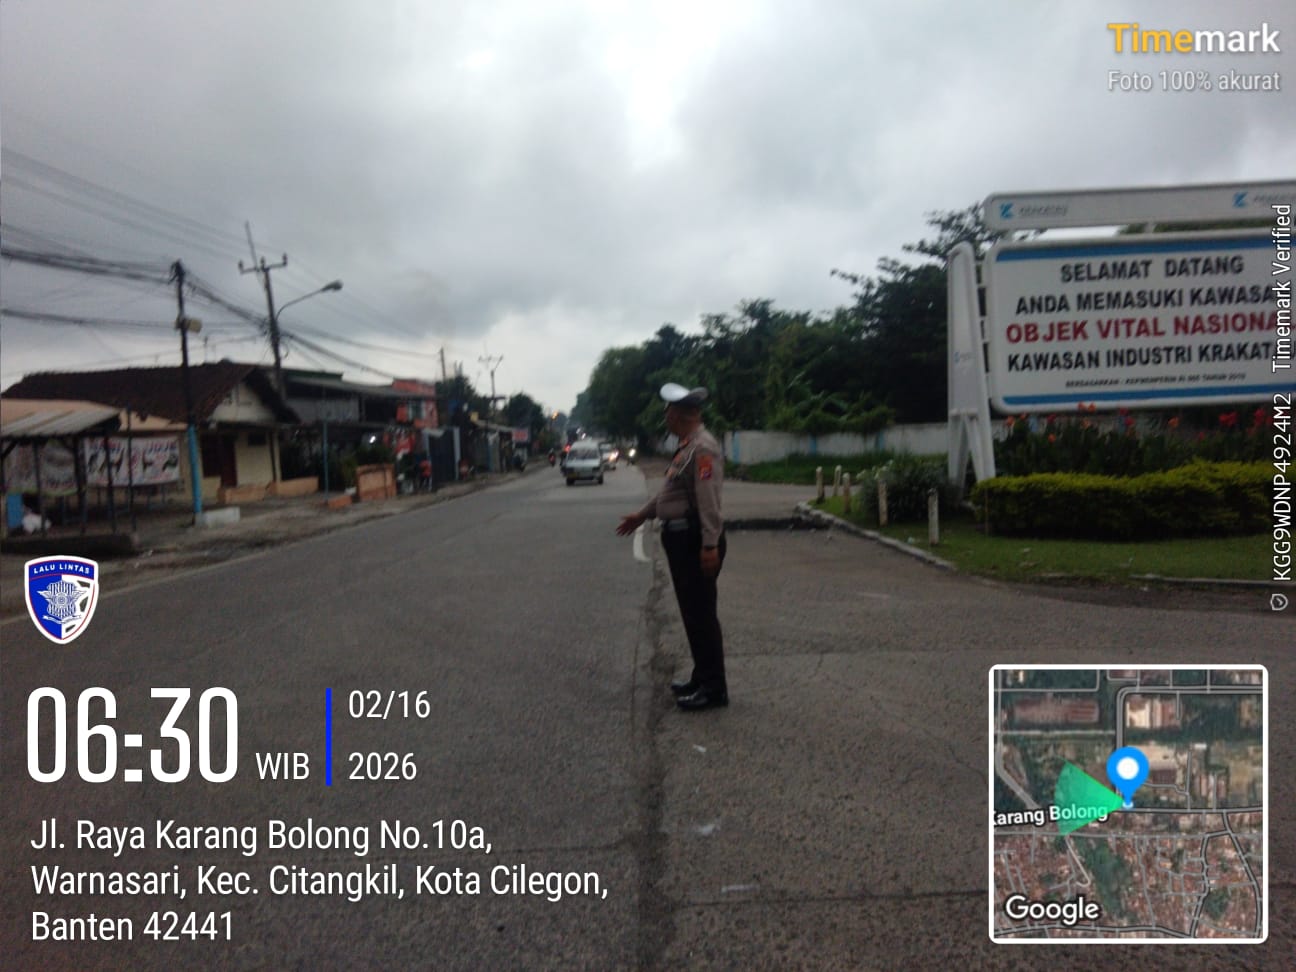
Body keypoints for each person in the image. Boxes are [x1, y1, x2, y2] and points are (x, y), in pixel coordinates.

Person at [616, 383, 728, 711]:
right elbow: (669, 493)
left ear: (680, 415)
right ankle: (702, 677)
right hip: (682, 540)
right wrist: (642, 515)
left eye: (668, 413)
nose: (665, 418)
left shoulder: (702, 449)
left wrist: (709, 544)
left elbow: (708, 500)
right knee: (692, 614)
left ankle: (714, 689)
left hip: (694, 540)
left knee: (702, 615)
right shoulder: (687, 447)